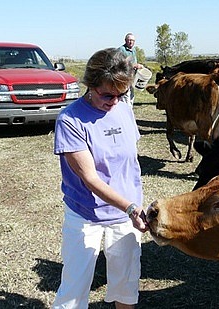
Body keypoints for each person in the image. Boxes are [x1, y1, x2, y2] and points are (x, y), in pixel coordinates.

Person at [52, 47, 148, 309]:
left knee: (126, 286)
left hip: (127, 215)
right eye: (107, 94)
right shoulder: (70, 120)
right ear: (90, 86)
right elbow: (90, 179)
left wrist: (134, 203)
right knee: (74, 290)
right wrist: (130, 207)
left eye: (121, 94)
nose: (114, 101)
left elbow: (129, 160)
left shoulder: (124, 109)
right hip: (87, 216)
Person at [118, 33, 144, 104]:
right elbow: (120, 63)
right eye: (129, 40)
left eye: (132, 40)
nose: (131, 42)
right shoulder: (121, 50)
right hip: (124, 75)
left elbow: (134, 61)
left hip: (132, 75)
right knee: (125, 94)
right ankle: (126, 110)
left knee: (131, 93)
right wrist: (134, 65)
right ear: (125, 40)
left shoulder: (133, 50)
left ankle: (130, 109)